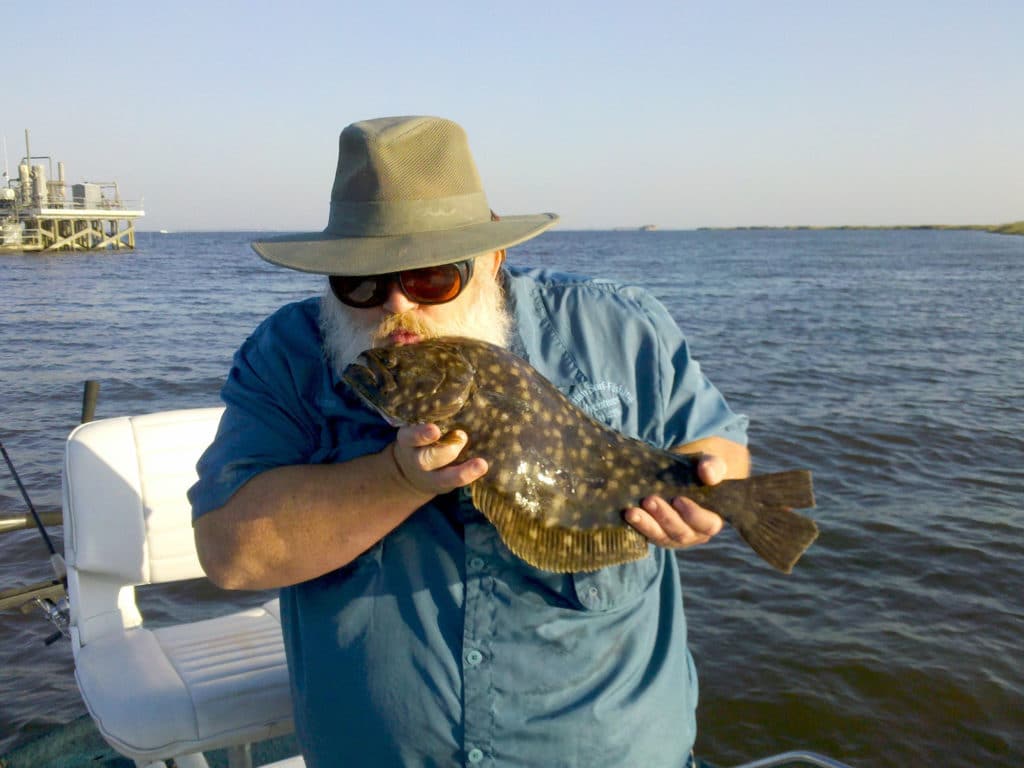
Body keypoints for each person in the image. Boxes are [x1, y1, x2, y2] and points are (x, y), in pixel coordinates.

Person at [190, 115, 750, 768]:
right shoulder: (285, 357)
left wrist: (707, 496)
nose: (397, 306)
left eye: (430, 278)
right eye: (362, 283)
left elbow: (718, 452)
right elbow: (232, 556)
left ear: (492, 258)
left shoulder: (617, 327)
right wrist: (397, 478)